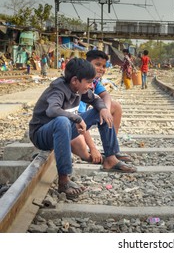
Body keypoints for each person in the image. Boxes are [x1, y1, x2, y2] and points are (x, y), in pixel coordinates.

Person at [29, 58, 136, 199]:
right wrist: (77, 118)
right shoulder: (58, 90)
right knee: (62, 121)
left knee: (101, 112)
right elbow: (52, 110)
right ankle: (64, 180)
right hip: (42, 134)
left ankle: (110, 158)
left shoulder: (79, 89)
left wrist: (103, 109)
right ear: (75, 80)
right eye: (89, 82)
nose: (91, 86)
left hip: (64, 129)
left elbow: (96, 99)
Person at [71, 50, 129, 162]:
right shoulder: (80, 83)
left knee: (114, 106)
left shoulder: (95, 82)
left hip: (81, 122)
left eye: (104, 66)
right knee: (82, 148)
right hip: (74, 124)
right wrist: (92, 148)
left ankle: (112, 149)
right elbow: (78, 119)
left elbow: (106, 95)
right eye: (97, 65)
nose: (101, 69)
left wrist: (105, 110)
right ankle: (99, 156)